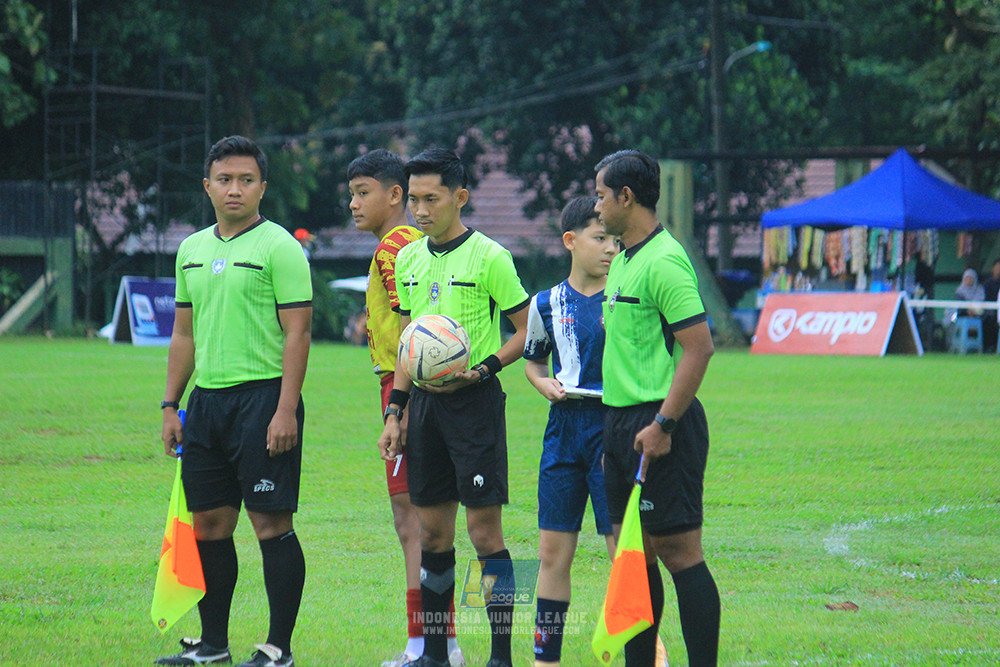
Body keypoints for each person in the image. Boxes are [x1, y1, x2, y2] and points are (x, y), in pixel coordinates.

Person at [157, 135, 312, 667]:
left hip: (264, 400)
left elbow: (298, 334)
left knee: (271, 525)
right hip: (205, 406)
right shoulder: (191, 249)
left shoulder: (281, 247)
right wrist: (171, 404)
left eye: (246, 180)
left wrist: (285, 409)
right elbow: (184, 334)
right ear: (207, 186)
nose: (234, 189)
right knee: (209, 526)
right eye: (224, 180)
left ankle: (278, 647)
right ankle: (214, 645)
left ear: (263, 187)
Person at [378, 147, 531, 667]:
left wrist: (484, 368)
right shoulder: (407, 258)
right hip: (423, 409)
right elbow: (408, 342)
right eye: (414, 199)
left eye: (431, 199)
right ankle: (437, 655)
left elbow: (528, 330)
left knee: (485, 533)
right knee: (433, 534)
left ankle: (502, 657)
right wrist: (394, 413)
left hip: (475, 405)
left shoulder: (491, 256)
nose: (419, 210)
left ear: (459, 197)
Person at [594, 150, 719, 667]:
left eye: (602, 195)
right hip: (621, 425)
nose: (596, 206)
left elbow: (699, 346)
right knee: (635, 557)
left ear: (627, 197)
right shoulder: (624, 258)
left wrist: (663, 423)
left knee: (680, 553)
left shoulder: (664, 260)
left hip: (661, 422)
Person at [347, 148, 465, 667]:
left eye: (362, 192)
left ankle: (429, 643)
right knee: (429, 522)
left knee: (414, 522)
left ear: (394, 196)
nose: (352, 203)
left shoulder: (396, 247)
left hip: (410, 390)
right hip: (411, 388)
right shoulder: (405, 243)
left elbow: (421, 329)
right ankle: (440, 643)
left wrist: (399, 405)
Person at [523, 197, 619, 666]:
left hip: (612, 426)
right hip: (563, 429)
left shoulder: (626, 298)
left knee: (622, 551)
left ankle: (643, 651)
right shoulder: (545, 302)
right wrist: (544, 384)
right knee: (551, 553)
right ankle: (546, 658)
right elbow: (533, 361)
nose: (610, 249)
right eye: (600, 238)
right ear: (571, 241)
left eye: (615, 240)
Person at [980, 260, 1000, 352]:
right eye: (997, 267)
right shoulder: (987, 283)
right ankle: (988, 347)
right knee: (989, 321)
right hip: (989, 312)